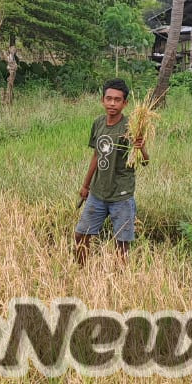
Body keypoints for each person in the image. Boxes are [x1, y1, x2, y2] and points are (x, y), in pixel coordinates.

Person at [74, 78, 149, 265]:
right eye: (109, 99)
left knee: (121, 244)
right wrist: (85, 185)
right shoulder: (98, 123)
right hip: (98, 192)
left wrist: (141, 148)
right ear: (102, 100)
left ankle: (119, 283)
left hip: (121, 195)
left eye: (117, 100)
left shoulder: (130, 127)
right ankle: (80, 272)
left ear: (125, 103)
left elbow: (145, 162)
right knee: (80, 235)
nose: (112, 103)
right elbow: (96, 156)